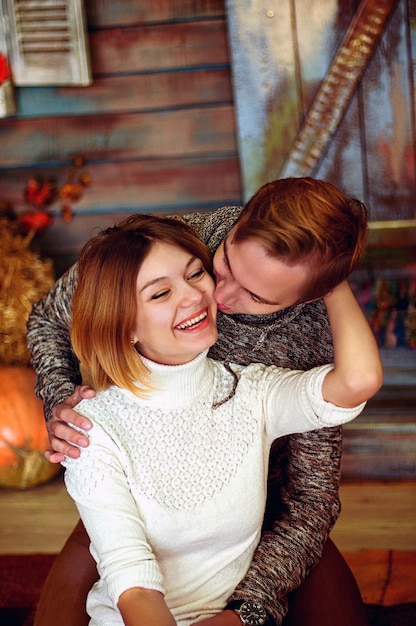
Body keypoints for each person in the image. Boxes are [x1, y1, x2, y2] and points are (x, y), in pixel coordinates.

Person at [27, 177, 374, 626]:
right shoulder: (164, 249)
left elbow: (311, 500)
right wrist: (65, 408)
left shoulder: (299, 351)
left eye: (256, 296)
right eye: (223, 263)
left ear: (308, 295)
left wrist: (248, 608)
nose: (214, 296)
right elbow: (48, 321)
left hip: (262, 510)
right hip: (142, 498)